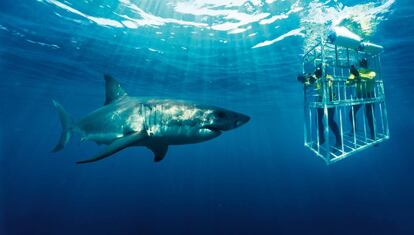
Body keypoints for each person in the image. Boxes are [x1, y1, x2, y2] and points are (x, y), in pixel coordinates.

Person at [298, 65, 342, 148]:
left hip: (331, 101)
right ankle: (322, 138)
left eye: (318, 75)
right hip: (321, 101)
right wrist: (303, 80)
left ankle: (339, 140)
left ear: (323, 73)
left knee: (330, 121)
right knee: (317, 119)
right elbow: (309, 82)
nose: (317, 76)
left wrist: (318, 79)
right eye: (316, 75)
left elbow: (329, 87)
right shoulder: (316, 78)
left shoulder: (329, 78)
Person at [347, 58, 376, 139]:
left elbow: (370, 77)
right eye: (362, 63)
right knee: (351, 113)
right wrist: (352, 76)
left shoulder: (372, 72)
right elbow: (347, 83)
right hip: (359, 95)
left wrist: (356, 74)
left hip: (370, 95)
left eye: (364, 63)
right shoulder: (356, 72)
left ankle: (373, 135)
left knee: (369, 115)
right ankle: (354, 129)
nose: (363, 64)